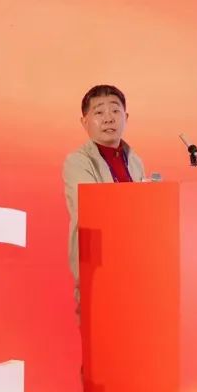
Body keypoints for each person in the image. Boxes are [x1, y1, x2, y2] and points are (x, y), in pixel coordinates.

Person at [62, 84, 146, 316]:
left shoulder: (135, 160)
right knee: (102, 334)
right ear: (85, 122)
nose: (109, 118)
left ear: (126, 117)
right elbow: (93, 207)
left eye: (115, 111)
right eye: (99, 112)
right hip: (99, 269)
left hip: (137, 267)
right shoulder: (77, 161)